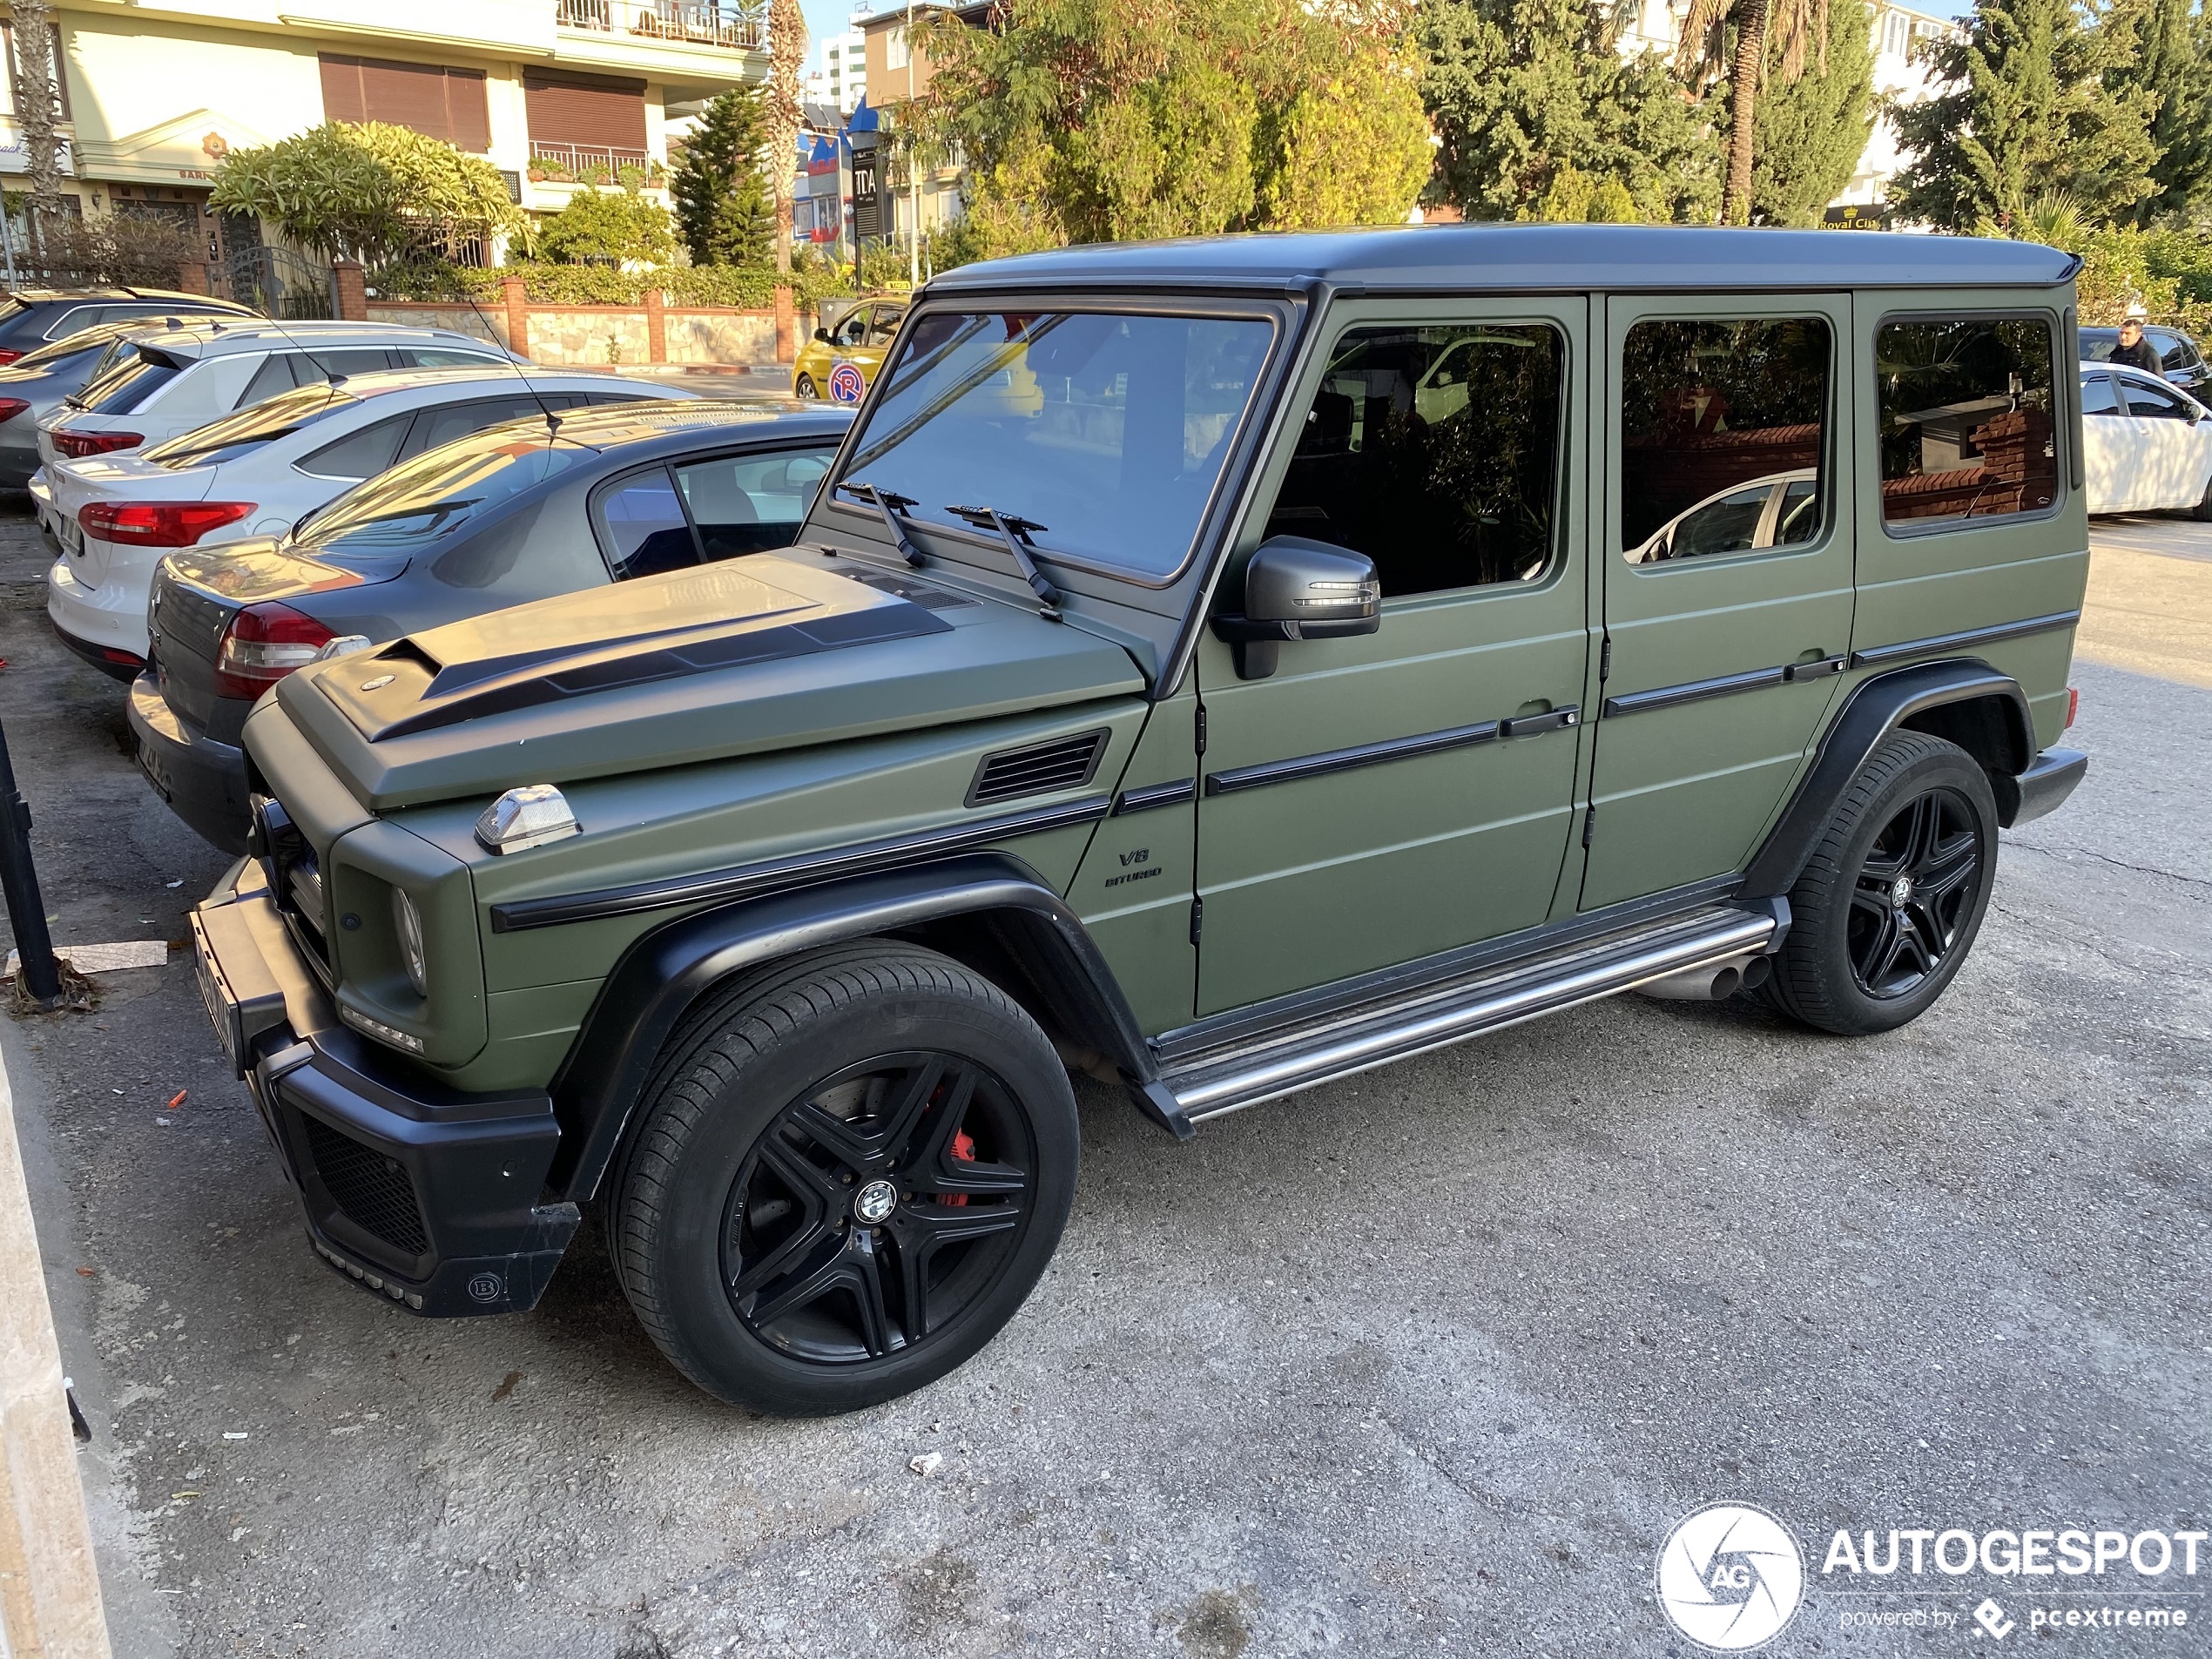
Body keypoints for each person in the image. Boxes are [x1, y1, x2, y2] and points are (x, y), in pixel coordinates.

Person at [2113, 313, 2166, 377]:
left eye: (2128, 333)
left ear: (2138, 335)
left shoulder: (2148, 354)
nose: (2123, 337)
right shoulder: (2117, 352)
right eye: (2121, 333)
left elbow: (2158, 381)